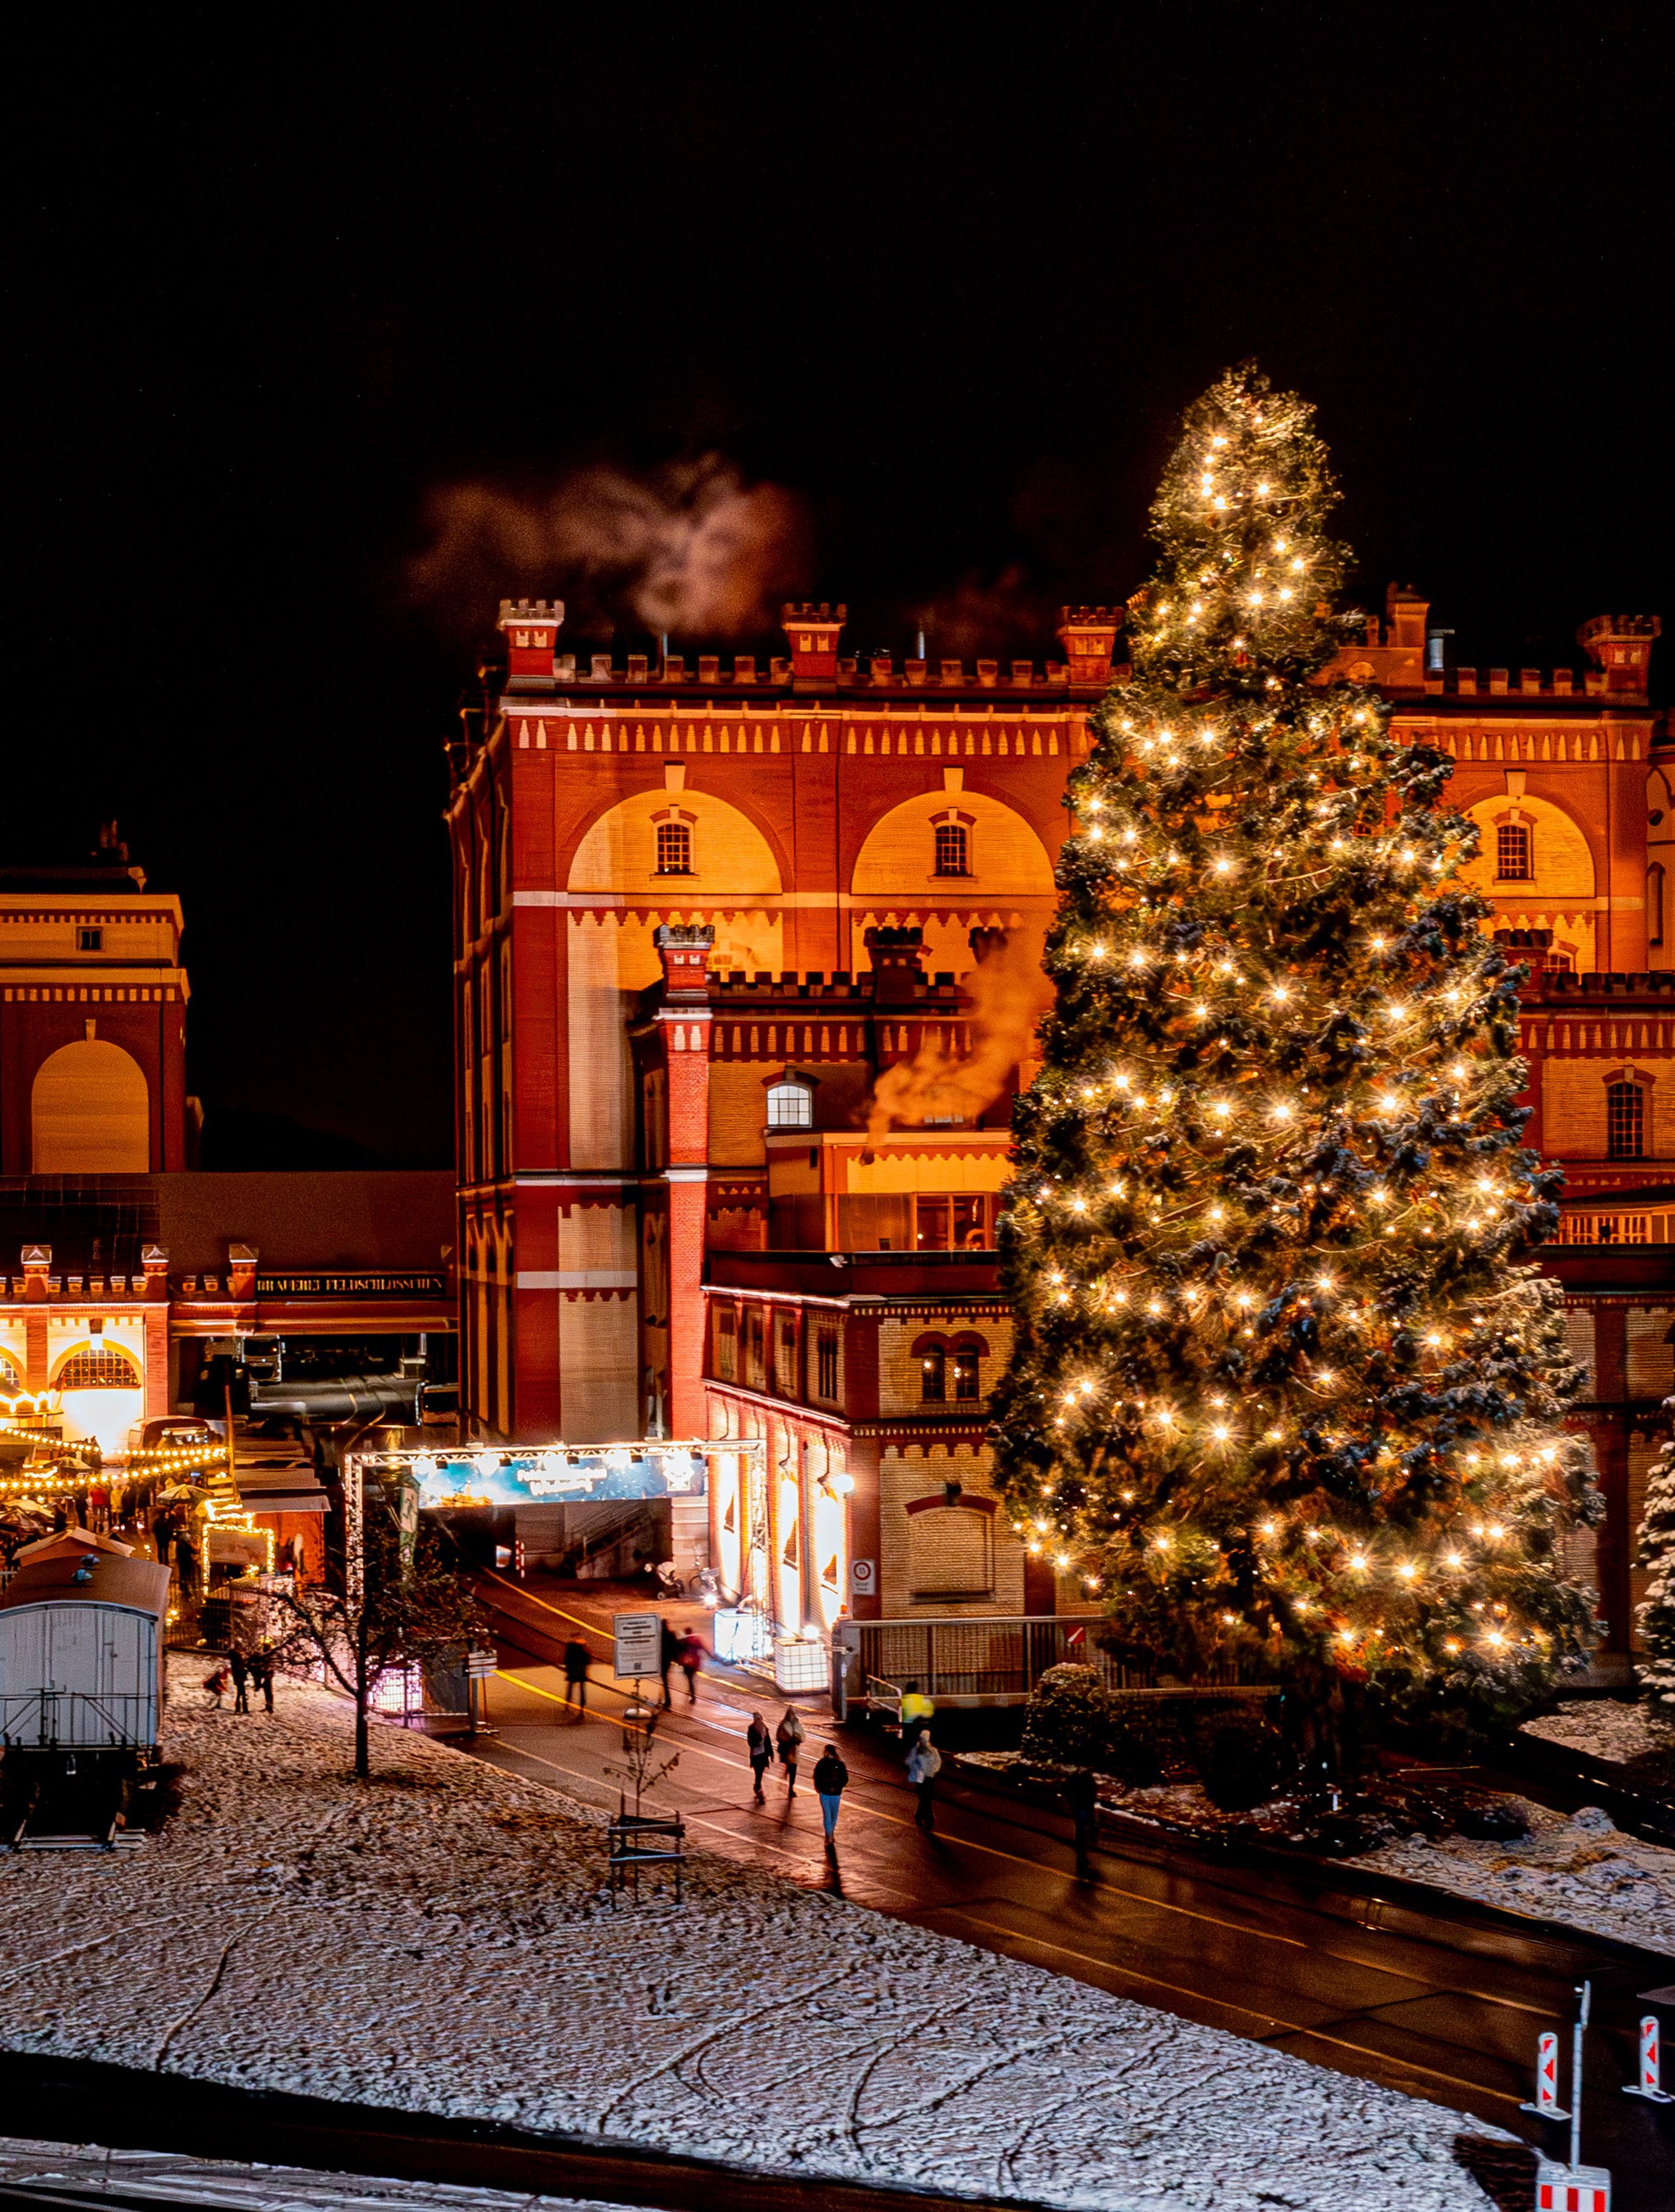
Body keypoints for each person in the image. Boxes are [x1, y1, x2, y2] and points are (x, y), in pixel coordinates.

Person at [812, 1742, 850, 1850]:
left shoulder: (821, 1763)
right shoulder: (839, 1764)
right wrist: (839, 1787)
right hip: (836, 1794)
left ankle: (828, 1835)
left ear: (826, 1752)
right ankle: (831, 1833)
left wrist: (819, 1788)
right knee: (834, 1815)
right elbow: (845, 1778)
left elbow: (816, 1776)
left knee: (827, 1815)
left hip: (824, 1794)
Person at [1064, 1766, 1099, 1878]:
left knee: (1083, 1829)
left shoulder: (1076, 1778)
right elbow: (1092, 1791)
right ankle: (1082, 1859)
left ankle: (1082, 1858)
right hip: (1083, 1807)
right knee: (1082, 1831)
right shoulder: (1082, 1779)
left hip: (1082, 1807)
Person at [906, 1729, 941, 1831]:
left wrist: (931, 1771)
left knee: (926, 1799)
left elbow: (937, 1763)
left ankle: (922, 1817)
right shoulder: (918, 1750)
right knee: (926, 1799)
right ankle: (927, 1819)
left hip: (928, 1777)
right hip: (921, 1777)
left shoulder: (932, 1751)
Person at [775, 1705, 805, 1796]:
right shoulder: (784, 1724)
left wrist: (798, 1739)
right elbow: (779, 1736)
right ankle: (790, 1787)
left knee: (793, 1768)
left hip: (794, 1750)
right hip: (788, 1749)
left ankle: (791, 1787)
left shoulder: (797, 1724)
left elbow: (802, 1735)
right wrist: (788, 1740)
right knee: (791, 1766)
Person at [746, 1711, 774, 1803]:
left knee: (759, 1773)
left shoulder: (761, 1728)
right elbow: (752, 1742)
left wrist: (771, 1753)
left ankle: (757, 1787)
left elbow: (767, 1742)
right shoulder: (761, 1728)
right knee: (759, 1773)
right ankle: (758, 1789)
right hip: (760, 1755)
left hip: (758, 1755)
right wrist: (771, 1754)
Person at [900, 1679, 935, 1752]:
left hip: (910, 1725)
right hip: (924, 1724)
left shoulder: (904, 1700)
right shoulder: (924, 1699)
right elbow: (931, 1712)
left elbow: (901, 1712)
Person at [676, 1628, 704, 1705]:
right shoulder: (695, 1639)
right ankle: (691, 1692)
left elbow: (680, 1651)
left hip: (688, 1663)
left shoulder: (684, 1641)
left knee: (690, 1679)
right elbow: (702, 1647)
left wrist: (679, 1660)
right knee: (691, 1679)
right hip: (695, 1662)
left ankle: (693, 1697)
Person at [563, 1636, 591, 1711]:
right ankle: (582, 1706)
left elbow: (566, 1661)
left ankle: (567, 1703)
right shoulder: (583, 1653)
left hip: (573, 1672)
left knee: (571, 1687)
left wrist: (568, 1670)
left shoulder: (570, 1652)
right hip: (581, 1672)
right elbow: (587, 1661)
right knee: (582, 1689)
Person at [659, 1617, 680, 1708]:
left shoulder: (659, 1635)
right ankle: (666, 1698)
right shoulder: (671, 1634)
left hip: (662, 1658)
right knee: (665, 1677)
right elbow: (675, 1646)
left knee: (664, 1678)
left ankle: (667, 1699)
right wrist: (676, 1658)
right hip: (668, 1659)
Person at [249, 1646, 276, 1714]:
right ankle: (269, 1706)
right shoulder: (258, 1658)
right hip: (260, 1675)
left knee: (268, 1691)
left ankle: (269, 1707)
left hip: (265, 1676)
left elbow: (271, 1668)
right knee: (268, 1691)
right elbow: (249, 1666)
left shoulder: (268, 1659)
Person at [228, 1648, 249, 1715]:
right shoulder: (238, 1660)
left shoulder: (234, 1661)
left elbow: (237, 1669)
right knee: (241, 1693)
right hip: (240, 1678)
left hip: (238, 1678)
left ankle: (239, 1708)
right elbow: (240, 1668)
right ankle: (243, 1709)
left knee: (240, 1693)